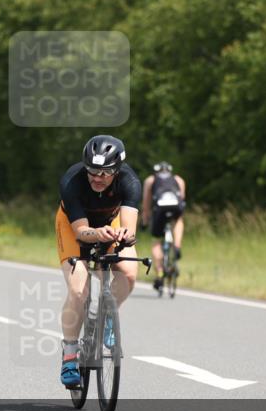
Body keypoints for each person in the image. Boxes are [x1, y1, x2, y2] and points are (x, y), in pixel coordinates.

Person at [56, 135, 141, 388]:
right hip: (74, 227)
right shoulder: (72, 181)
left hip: (109, 223)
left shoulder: (130, 182)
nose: (97, 177)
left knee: (128, 272)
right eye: (92, 170)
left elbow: (130, 229)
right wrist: (97, 234)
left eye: (105, 173)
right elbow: (82, 232)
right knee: (78, 289)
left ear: (117, 170)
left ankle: (107, 318)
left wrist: (124, 234)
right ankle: (70, 355)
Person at [141, 161, 186, 292]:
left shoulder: (150, 180)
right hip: (175, 206)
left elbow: (146, 203)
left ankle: (160, 273)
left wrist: (145, 220)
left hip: (159, 209)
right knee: (178, 220)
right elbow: (182, 199)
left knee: (156, 241)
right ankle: (177, 245)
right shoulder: (178, 179)